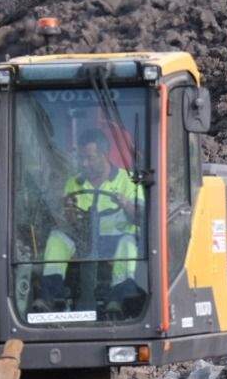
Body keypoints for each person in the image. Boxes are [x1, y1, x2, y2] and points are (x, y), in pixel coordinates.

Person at [37, 128, 146, 314]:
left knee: (128, 243)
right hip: (83, 240)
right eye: (81, 158)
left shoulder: (127, 182)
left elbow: (140, 218)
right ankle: (50, 296)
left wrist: (126, 204)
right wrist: (69, 211)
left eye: (90, 158)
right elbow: (69, 221)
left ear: (104, 154)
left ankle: (117, 299)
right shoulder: (74, 183)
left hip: (114, 240)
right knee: (57, 238)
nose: (84, 163)